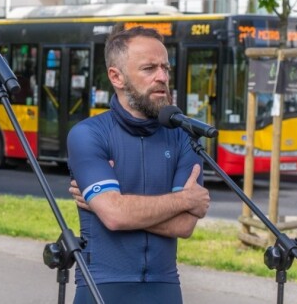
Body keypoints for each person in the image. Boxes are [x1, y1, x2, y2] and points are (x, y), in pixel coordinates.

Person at [67, 26, 210, 303]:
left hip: (165, 285)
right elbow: (115, 215)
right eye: (149, 68)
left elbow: (184, 226)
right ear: (116, 76)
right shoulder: (88, 134)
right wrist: (184, 199)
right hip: (102, 285)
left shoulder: (184, 136)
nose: (162, 77)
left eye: (165, 68)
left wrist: (116, 206)